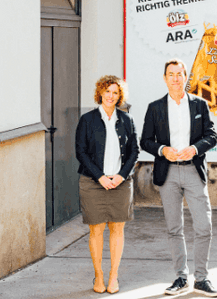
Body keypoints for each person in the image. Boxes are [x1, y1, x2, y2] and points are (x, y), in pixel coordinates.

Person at [141, 59, 217, 297]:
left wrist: (195, 149)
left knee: (204, 226)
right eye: (171, 74)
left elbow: (212, 136)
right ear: (165, 78)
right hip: (168, 173)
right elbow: (145, 141)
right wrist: (162, 149)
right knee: (174, 228)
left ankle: (202, 278)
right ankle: (181, 277)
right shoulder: (155, 107)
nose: (175, 78)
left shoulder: (199, 105)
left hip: (193, 170)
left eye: (179, 74)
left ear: (186, 77)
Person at [75, 75, 139, 294]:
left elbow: (134, 151)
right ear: (100, 93)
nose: (111, 96)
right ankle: (99, 276)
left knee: (117, 228)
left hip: (120, 183)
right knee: (97, 229)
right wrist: (100, 176)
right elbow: (80, 152)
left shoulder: (127, 120)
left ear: (119, 96)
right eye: (107, 91)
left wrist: (121, 175)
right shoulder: (87, 120)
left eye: (115, 92)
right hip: (93, 182)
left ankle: (113, 276)